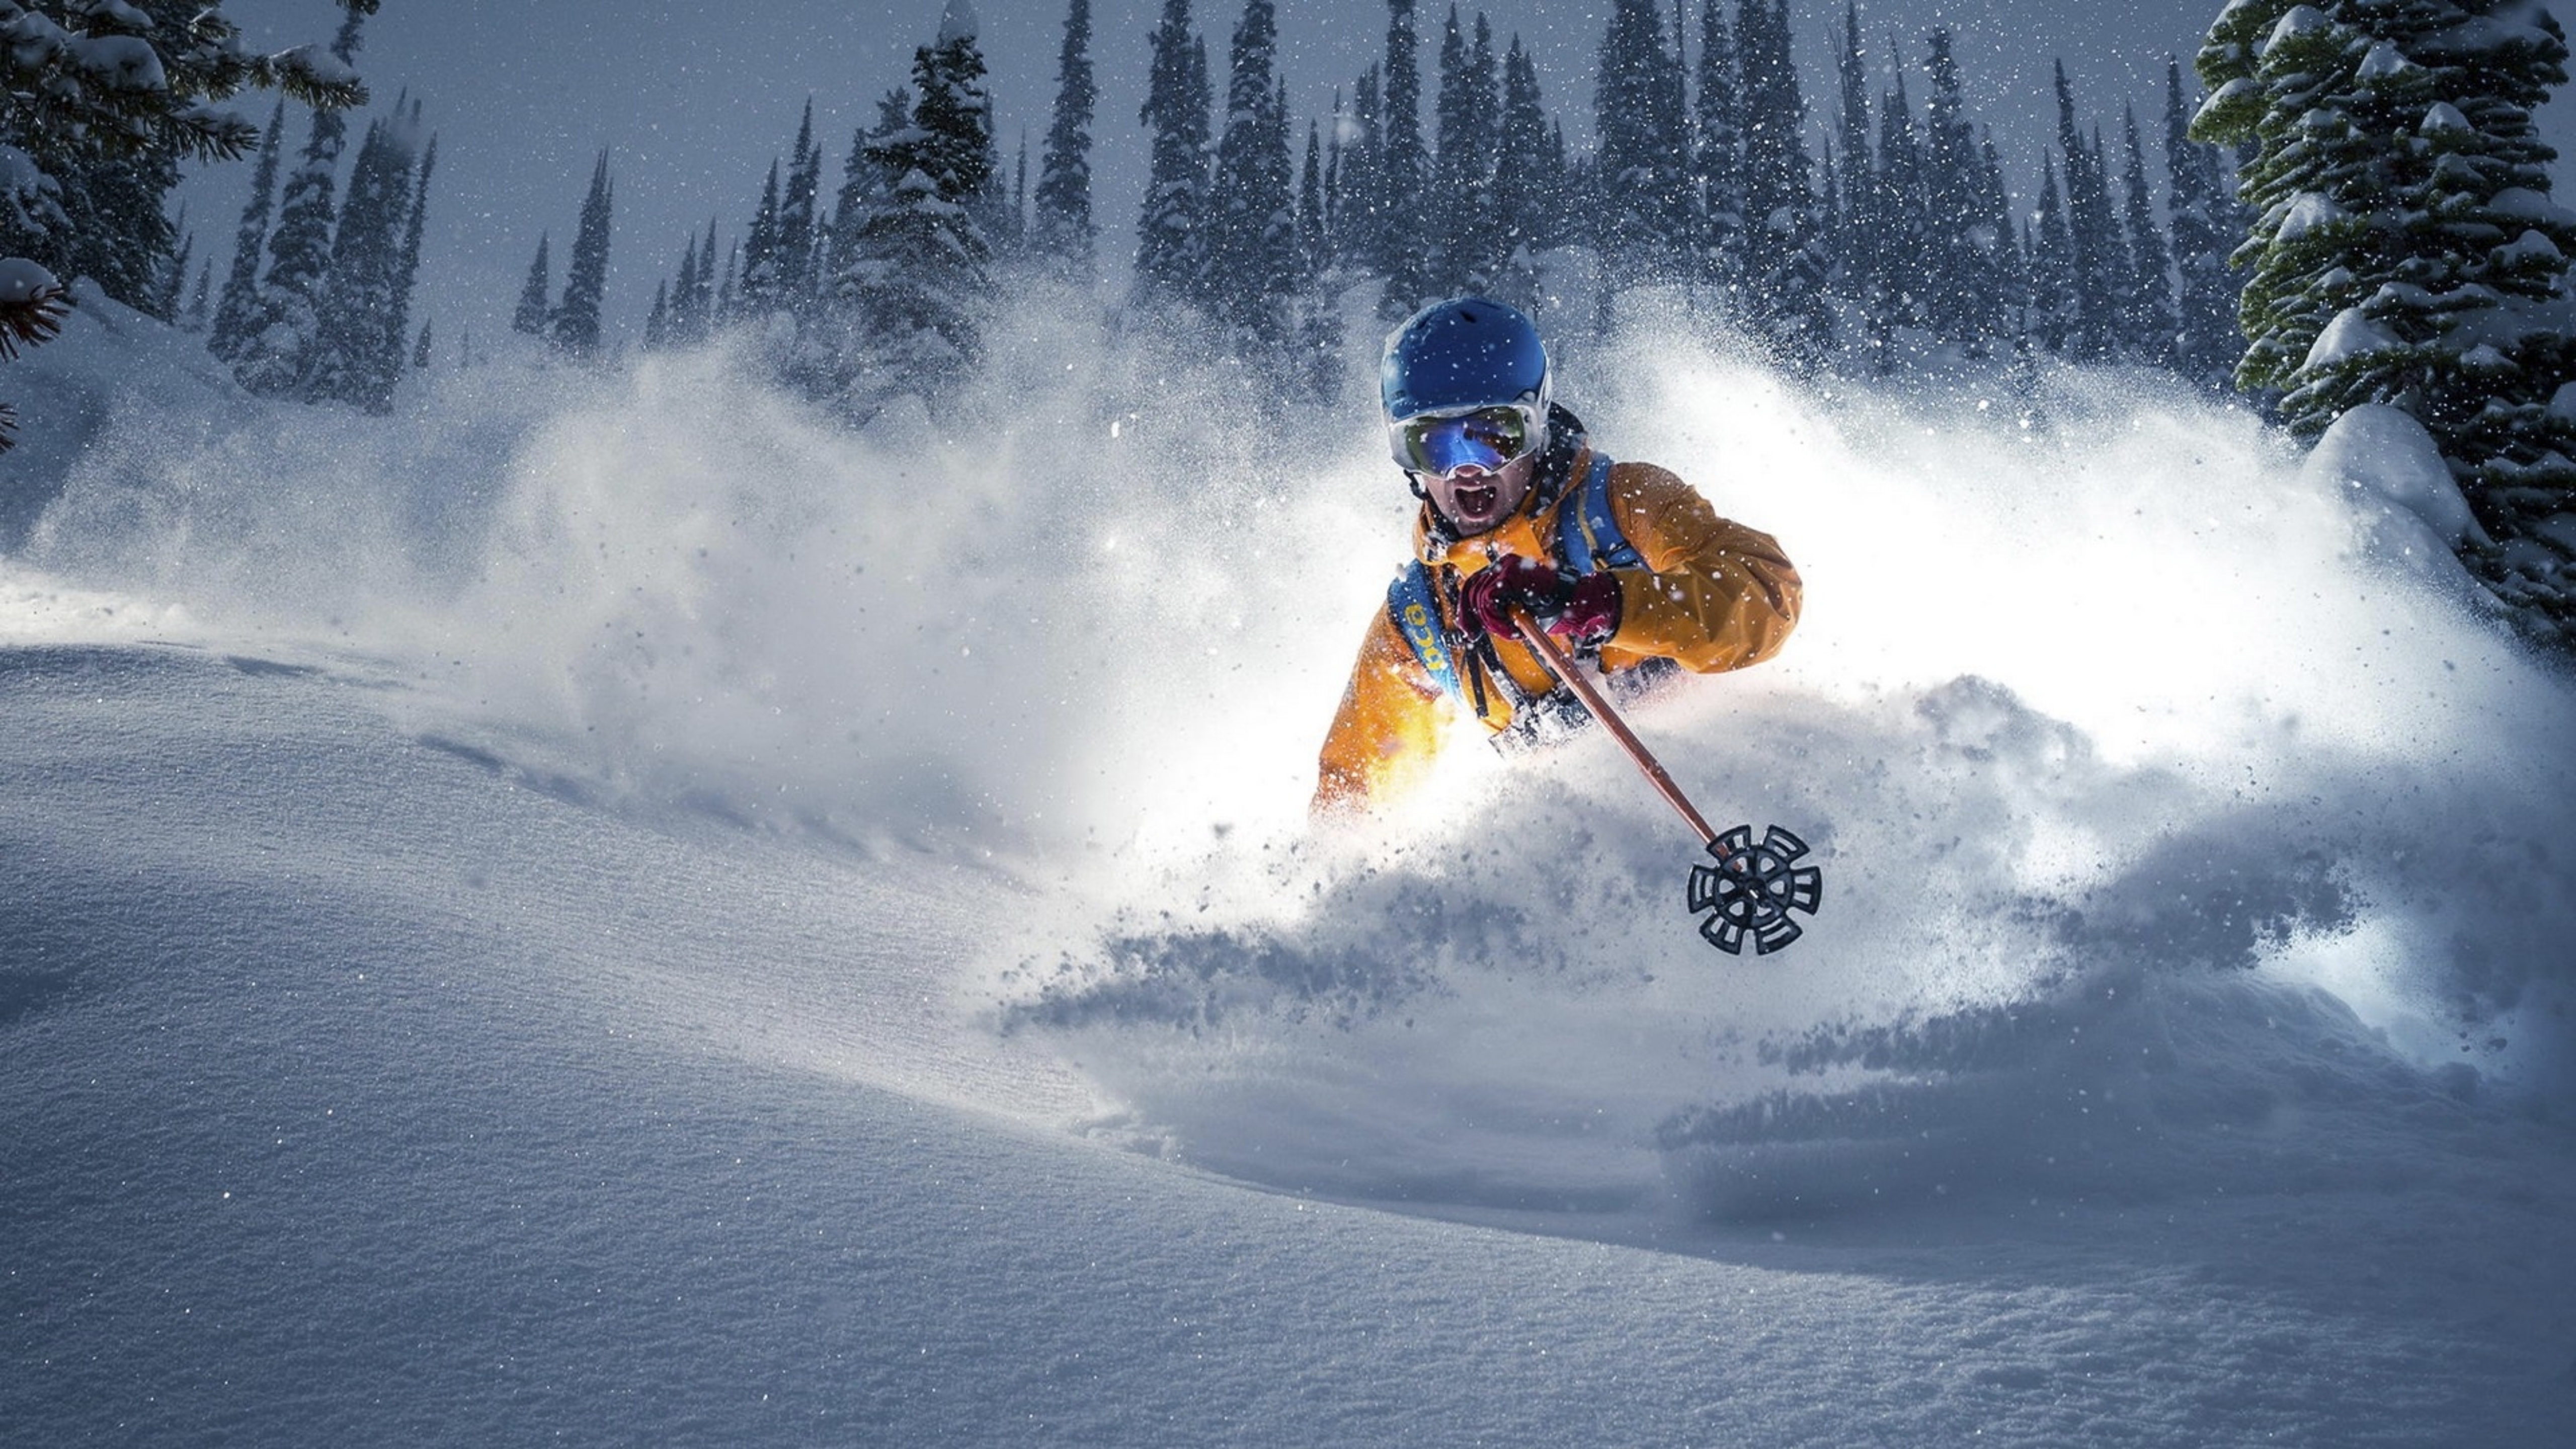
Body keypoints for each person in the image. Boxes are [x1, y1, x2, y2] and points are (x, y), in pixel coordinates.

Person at [1312, 296, 1802, 816]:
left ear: (1537, 423)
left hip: (1740, 813)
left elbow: (1768, 597)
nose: (1465, 471)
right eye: (1432, 445)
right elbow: (1351, 798)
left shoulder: (1623, 510)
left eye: (1493, 436)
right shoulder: (1420, 620)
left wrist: (1594, 603)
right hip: (1606, 859)